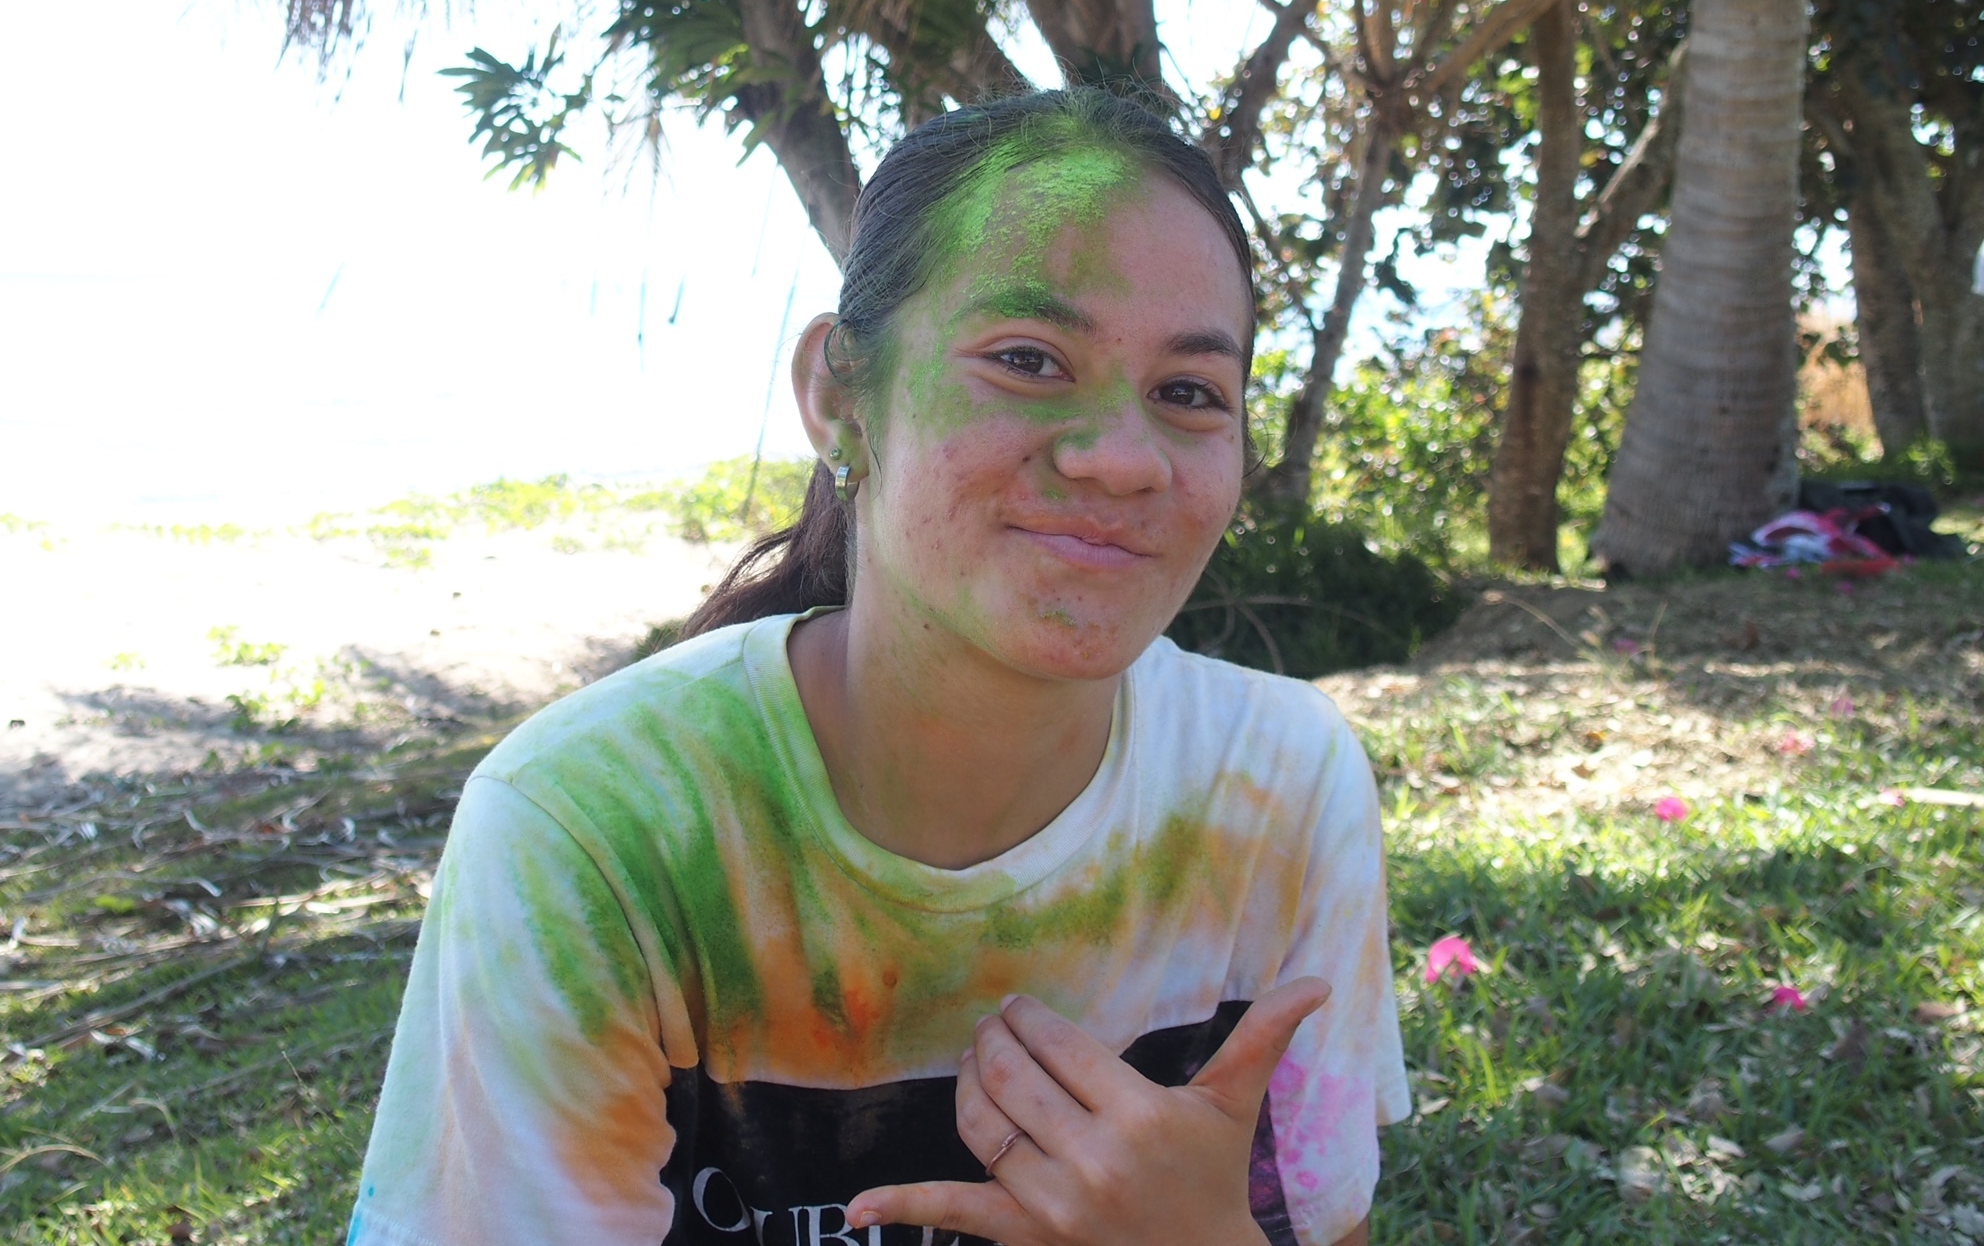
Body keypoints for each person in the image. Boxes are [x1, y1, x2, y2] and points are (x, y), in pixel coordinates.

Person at [346, 89, 1409, 1246]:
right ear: (840, 396)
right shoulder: (595, 827)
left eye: (1188, 392)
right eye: (1028, 359)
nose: (1120, 459)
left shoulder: (1277, 785)